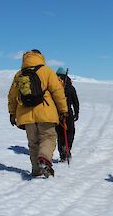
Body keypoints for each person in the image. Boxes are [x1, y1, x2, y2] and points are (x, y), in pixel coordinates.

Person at [8, 49, 68, 177]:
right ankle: (44, 158)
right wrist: (63, 110)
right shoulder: (47, 71)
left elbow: (12, 96)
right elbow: (58, 92)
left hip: (26, 116)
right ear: (40, 57)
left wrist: (12, 113)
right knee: (49, 137)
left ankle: (36, 170)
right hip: (46, 113)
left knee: (33, 143)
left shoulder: (19, 74)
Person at [55, 67, 79, 162]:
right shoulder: (70, 87)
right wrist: (76, 112)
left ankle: (62, 153)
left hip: (56, 113)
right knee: (70, 131)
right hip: (68, 113)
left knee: (60, 133)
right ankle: (67, 148)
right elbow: (75, 101)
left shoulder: (54, 86)